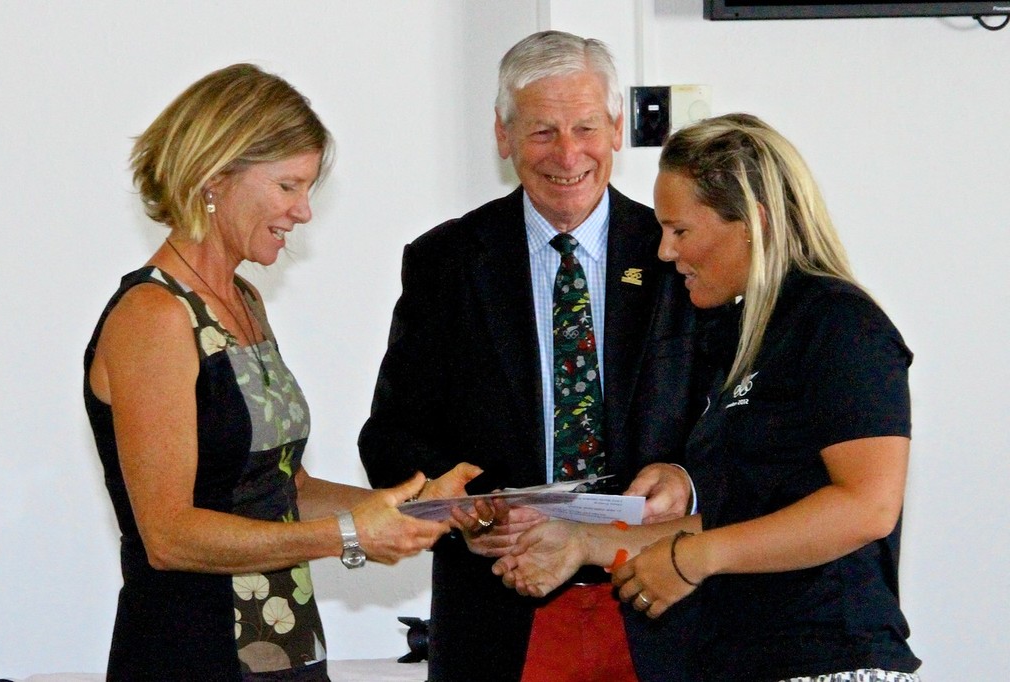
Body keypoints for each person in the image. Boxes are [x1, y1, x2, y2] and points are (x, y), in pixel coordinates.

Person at [83, 63, 480, 681]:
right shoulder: (154, 316)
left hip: (280, 644)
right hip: (193, 651)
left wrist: (407, 508)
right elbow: (168, 535)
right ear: (215, 178)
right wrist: (348, 534)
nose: (304, 212)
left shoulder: (244, 303)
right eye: (289, 186)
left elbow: (281, 491)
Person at [494, 113, 922, 682]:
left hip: (829, 656)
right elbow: (737, 523)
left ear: (753, 224)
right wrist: (579, 543)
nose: (665, 253)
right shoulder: (740, 337)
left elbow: (867, 507)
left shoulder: (840, 325)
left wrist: (700, 557)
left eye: (681, 231)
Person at [359, 31, 701, 682]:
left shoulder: (679, 254)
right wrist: (466, 508)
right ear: (503, 135)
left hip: (662, 605)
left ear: (617, 129)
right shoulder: (445, 262)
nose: (568, 154)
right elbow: (391, 437)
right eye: (542, 132)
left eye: (585, 127)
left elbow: (731, 421)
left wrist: (687, 480)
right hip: (499, 614)